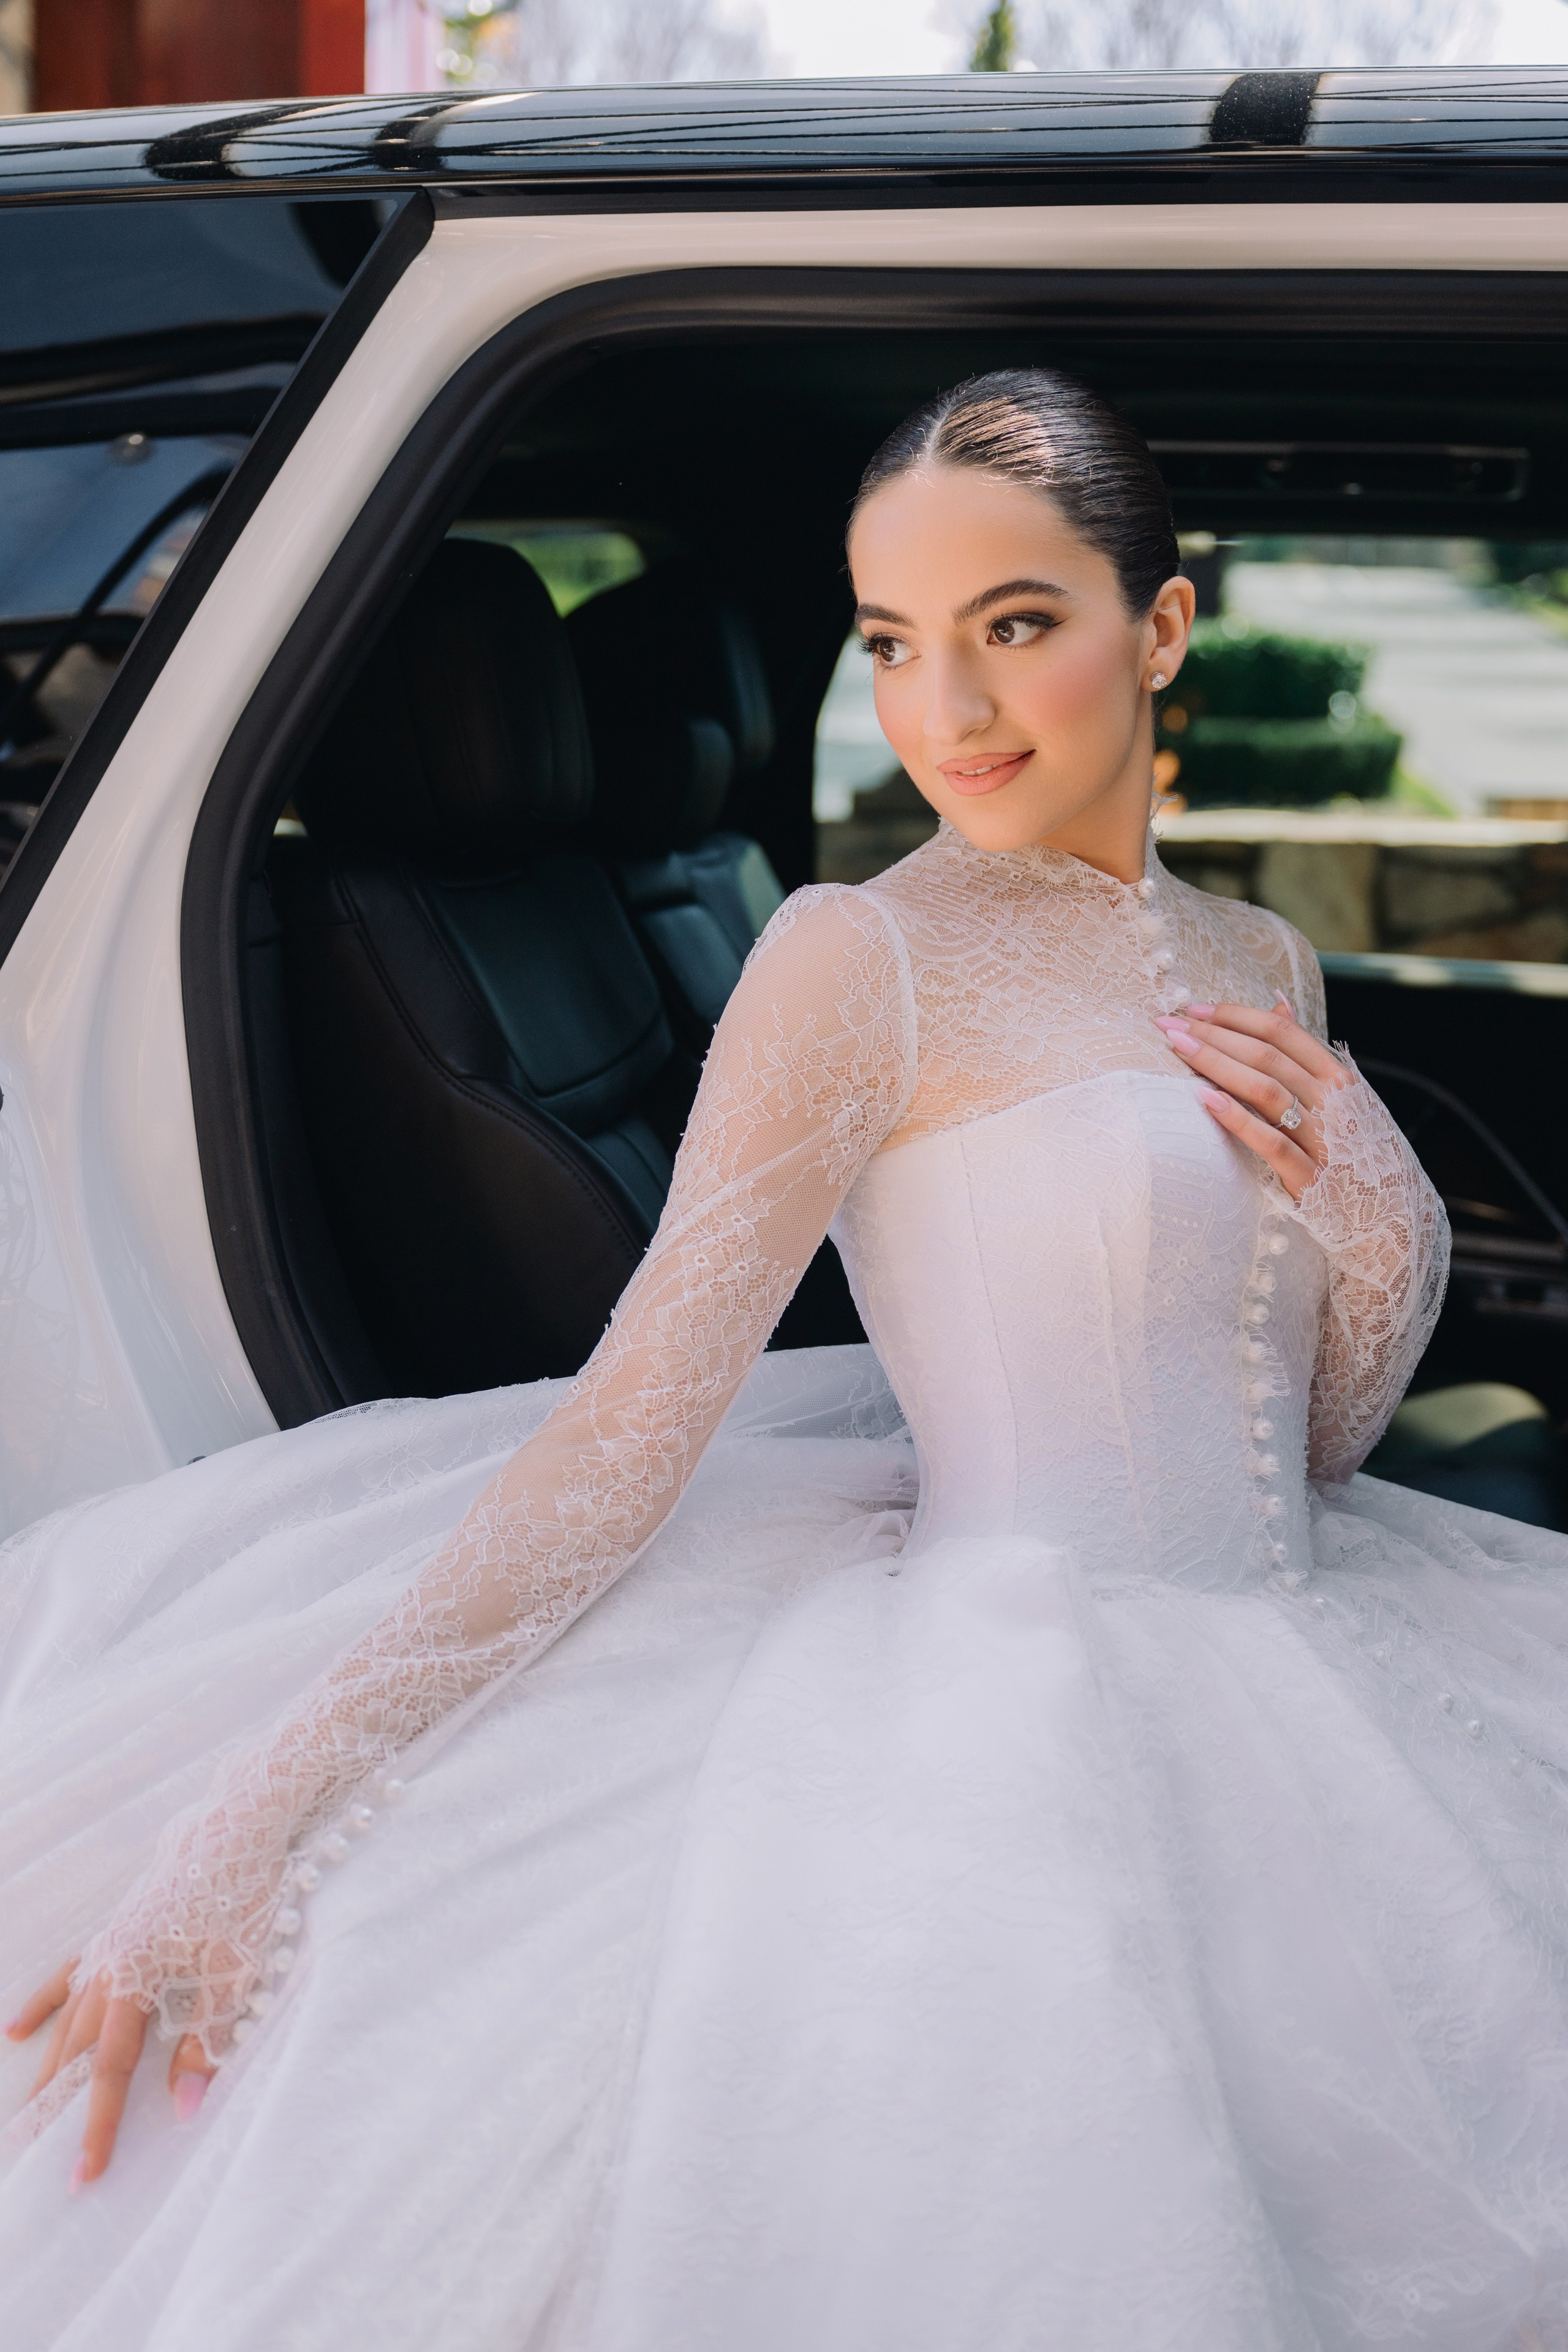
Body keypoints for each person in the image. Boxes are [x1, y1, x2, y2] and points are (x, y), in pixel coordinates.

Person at [1, 364, 1564, 2352]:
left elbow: (1315, 1453)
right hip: (1017, 1707)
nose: (951, 717)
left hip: (1308, 1670)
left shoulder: (1266, 960)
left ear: (1160, 626)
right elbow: (629, 1427)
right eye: (896, 647)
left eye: (1016, 627)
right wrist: (267, 1802)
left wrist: (1386, 1219)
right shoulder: (857, 956)